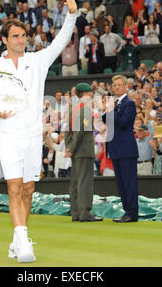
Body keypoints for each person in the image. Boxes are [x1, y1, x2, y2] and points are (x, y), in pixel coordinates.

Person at [0, 0, 77, 263]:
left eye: (23, 35)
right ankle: (24, 244)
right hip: (8, 136)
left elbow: (59, 43)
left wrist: (71, 15)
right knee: (14, 188)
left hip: (34, 136)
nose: (22, 40)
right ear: (5, 40)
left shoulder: (37, 61)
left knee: (29, 190)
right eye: (16, 36)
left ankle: (16, 240)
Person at [102, 75, 139, 223]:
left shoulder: (129, 103)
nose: (116, 87)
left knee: (129, 182)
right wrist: (107, 111)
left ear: (125, 87)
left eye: (119, 85)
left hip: (126, 148)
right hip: (116, 148)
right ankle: (127, 212)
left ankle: (132, 213)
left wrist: (110, 111)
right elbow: (107, 121)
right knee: (121, 183)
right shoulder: (115, 103)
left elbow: (124, 123)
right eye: (114, 85)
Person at [65, 83, 102, 222]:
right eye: (91, 92)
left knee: (75, 182)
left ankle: (76, 213)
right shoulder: (85, 108)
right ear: (87, 93)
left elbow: (68, 131)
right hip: (84, 150)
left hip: (75, 151)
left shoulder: (72, 109)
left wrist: (69, 148)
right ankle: (85, 213)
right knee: (85, 183)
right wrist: (72, 149)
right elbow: (81, 131)